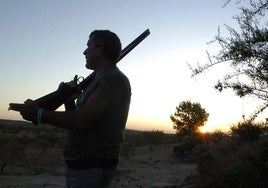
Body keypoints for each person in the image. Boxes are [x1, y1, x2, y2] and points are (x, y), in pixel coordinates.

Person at [12, 30, 131, 187]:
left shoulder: (113, 79)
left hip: (92, 169)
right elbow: (77, 120)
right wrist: (69, 101)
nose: (84, 51)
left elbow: (81, 122)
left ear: (100, 49)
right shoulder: (99, 80)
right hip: (82, 169)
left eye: (88, 46)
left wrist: (39, 113)